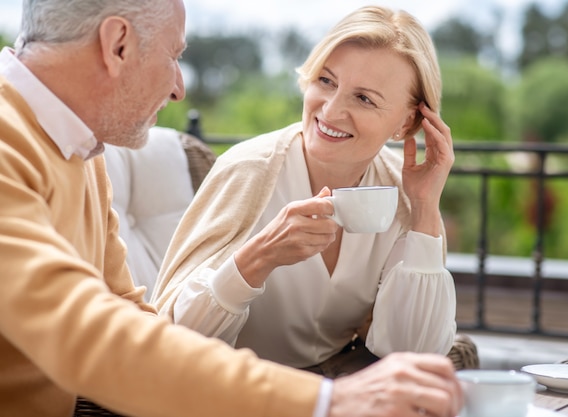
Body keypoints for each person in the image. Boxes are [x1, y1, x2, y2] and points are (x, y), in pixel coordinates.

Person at [0, 1, 462, 417]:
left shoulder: (81, 152)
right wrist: (327, 401)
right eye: (174, 56)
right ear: (118, 44)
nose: (179, 87)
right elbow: (88, 333)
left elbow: (133, 318)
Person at [153, 5, 458, 379]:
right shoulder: (249, 171)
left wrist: (425, 207)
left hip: (337, 390)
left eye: (364, 99)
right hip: (239, 391)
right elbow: (172, 341)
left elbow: (414, 354)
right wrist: (258, 258)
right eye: (326, 81)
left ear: (407, 121)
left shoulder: (403, 190)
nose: (330, 110)